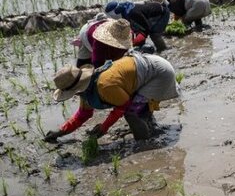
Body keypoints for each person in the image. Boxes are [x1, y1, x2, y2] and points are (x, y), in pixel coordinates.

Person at [43, 52, 180, 142]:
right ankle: (148, 125)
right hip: (144, 69)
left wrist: (104, 127)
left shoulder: (105, 85)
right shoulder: (86, 89)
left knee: (131, 113)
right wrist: (60, 132)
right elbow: (83, 114)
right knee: (137, 108)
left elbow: (123, 106)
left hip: (158, 73)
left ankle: (144, 144)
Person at [105, 0, 170, 52]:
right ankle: (143, 47)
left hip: (162, 13)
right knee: (137, 29)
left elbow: (145, 29)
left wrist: (133, 43)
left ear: (117, 12)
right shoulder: (125, 10)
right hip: (150, 15)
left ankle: (163, 50)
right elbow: (134, 28)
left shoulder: (133, 13)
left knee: (154, 34)